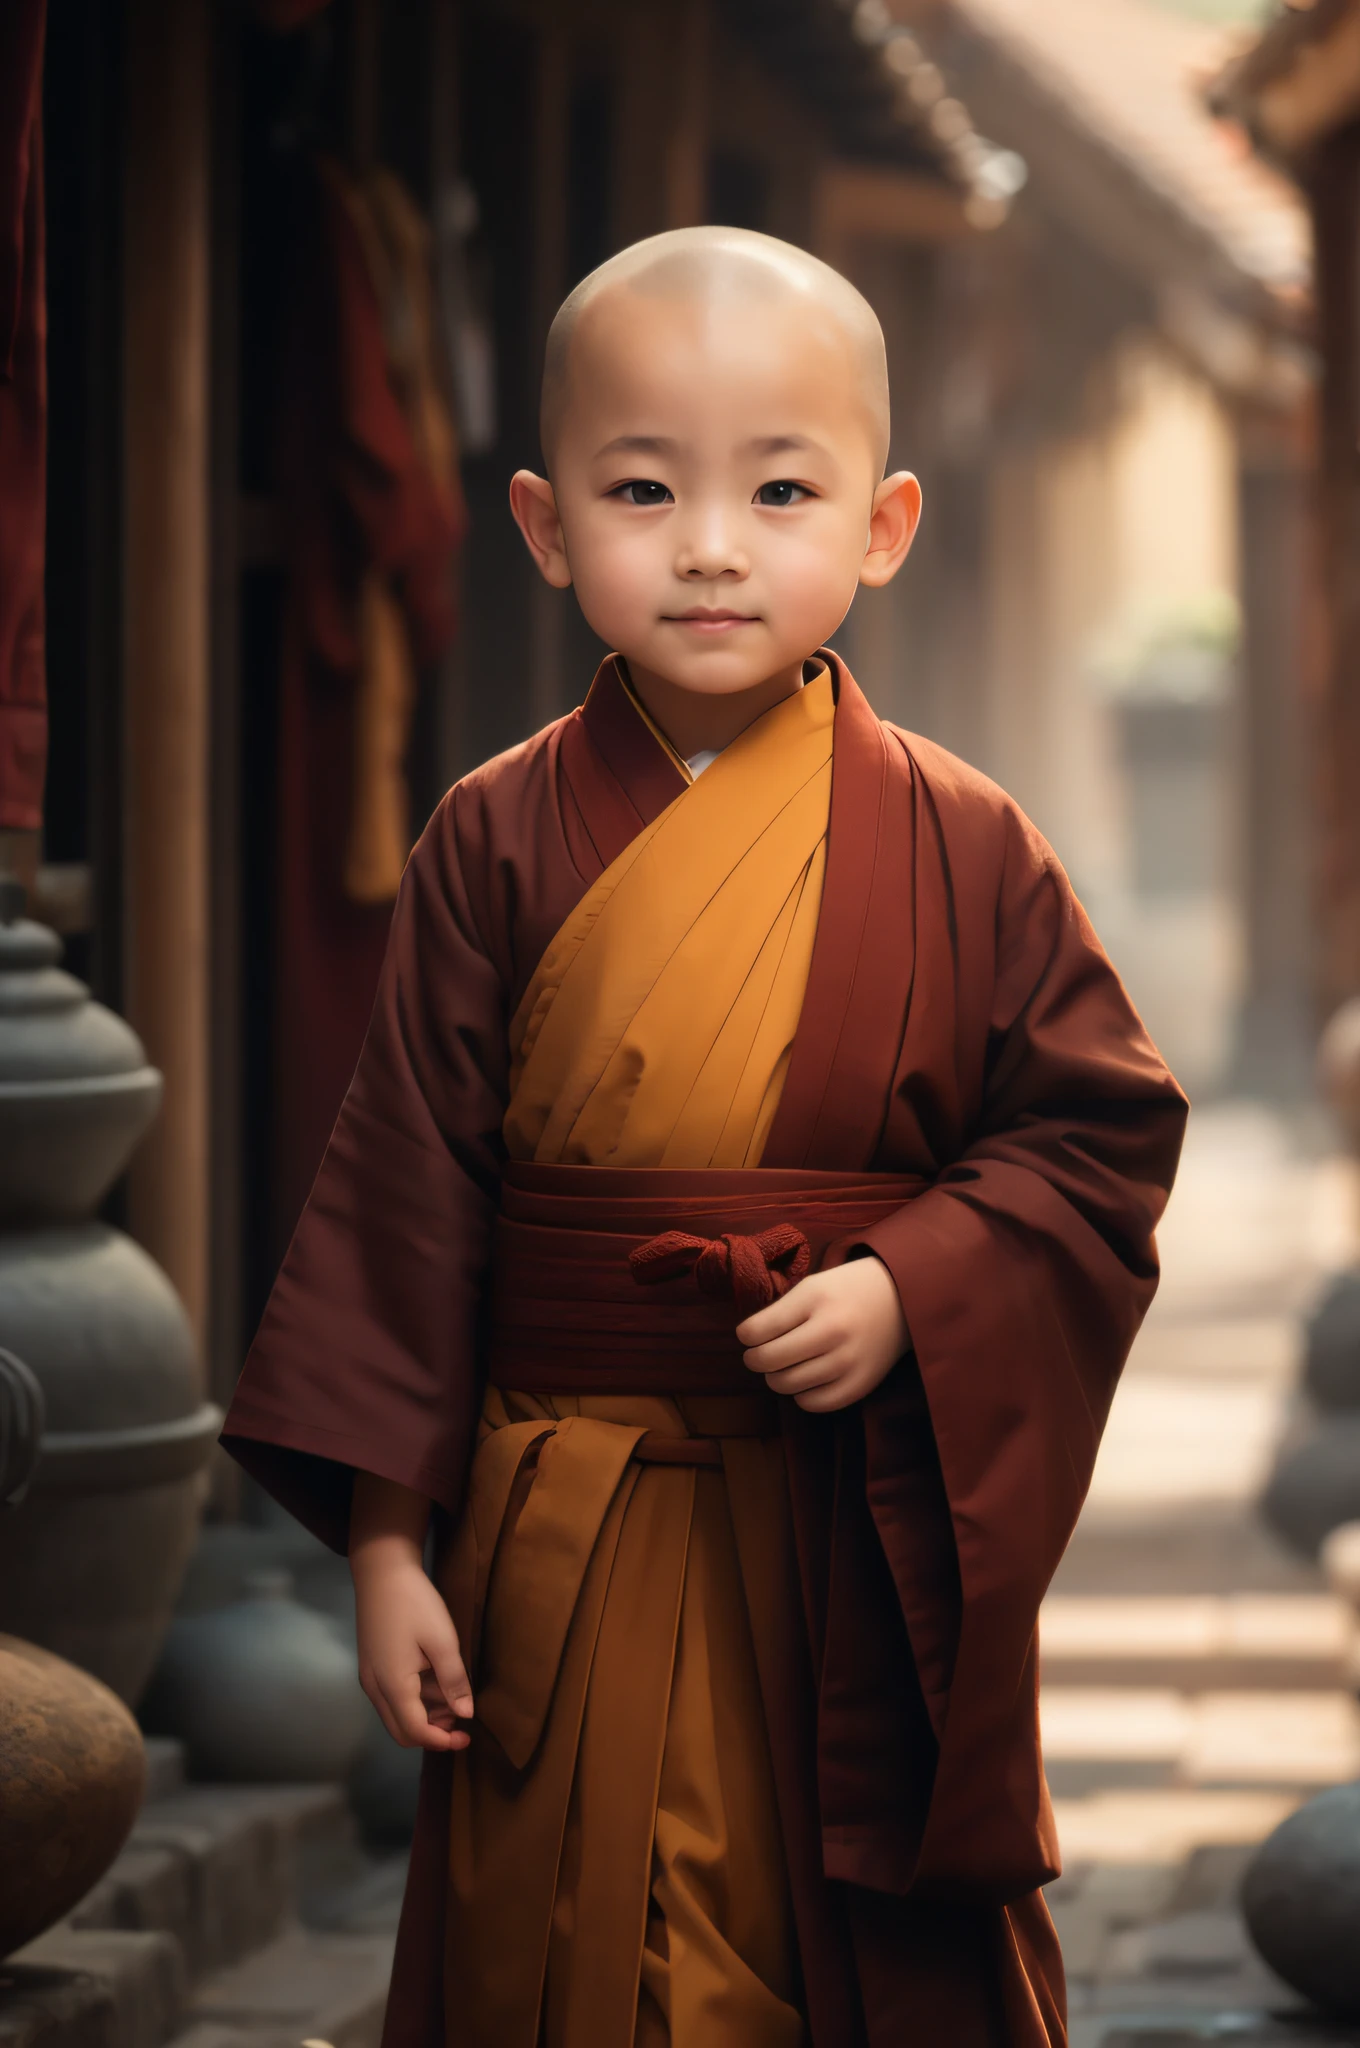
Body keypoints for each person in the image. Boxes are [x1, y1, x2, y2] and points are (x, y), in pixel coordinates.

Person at [222, 226, 1188, 2048]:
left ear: (884, 525)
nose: (714, 545)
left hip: (843, 1522)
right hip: (558, 1521)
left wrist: (916, 1282)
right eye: (644, 488)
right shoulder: (492, 838)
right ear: (539, 522)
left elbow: (1093, 1136)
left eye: (782, 488)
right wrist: (379, 1546)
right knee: (570, 1946)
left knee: (841, 1956)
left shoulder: (966, 841)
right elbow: (405, 1202)